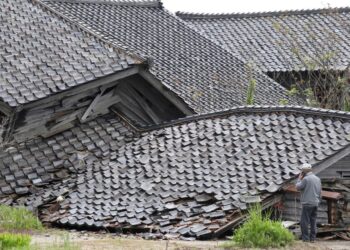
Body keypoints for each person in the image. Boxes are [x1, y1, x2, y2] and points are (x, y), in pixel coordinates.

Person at [295, 163, 322, 242]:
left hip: (307, 203)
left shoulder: (305, 179)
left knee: (304, 221)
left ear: (303, 171)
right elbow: (320, 192)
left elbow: (297, 187)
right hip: (316, 203)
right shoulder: (317, 179)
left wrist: (299, 179)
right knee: (313, 221)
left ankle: (305, 239)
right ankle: (313, 238)